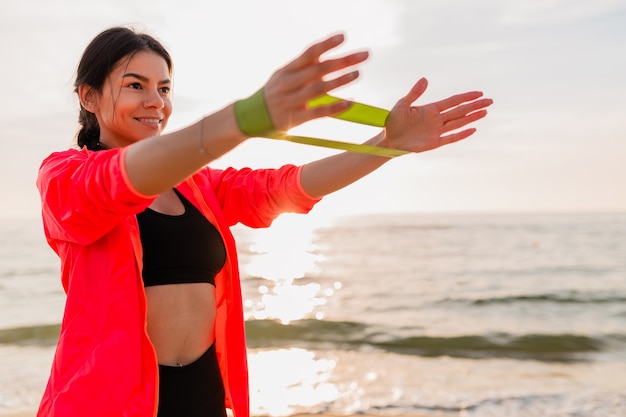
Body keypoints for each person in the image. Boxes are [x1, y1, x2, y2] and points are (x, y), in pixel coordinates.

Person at [36, 26, 492, 417]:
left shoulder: (198, 185)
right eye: (135, 85)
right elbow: (120, 180)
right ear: (89, 97)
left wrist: (387, 143)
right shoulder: (65, 177)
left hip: (202, 393)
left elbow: (287, 187)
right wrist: (247, 117)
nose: (156, 101)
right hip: (104, 399)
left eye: (164, 88)